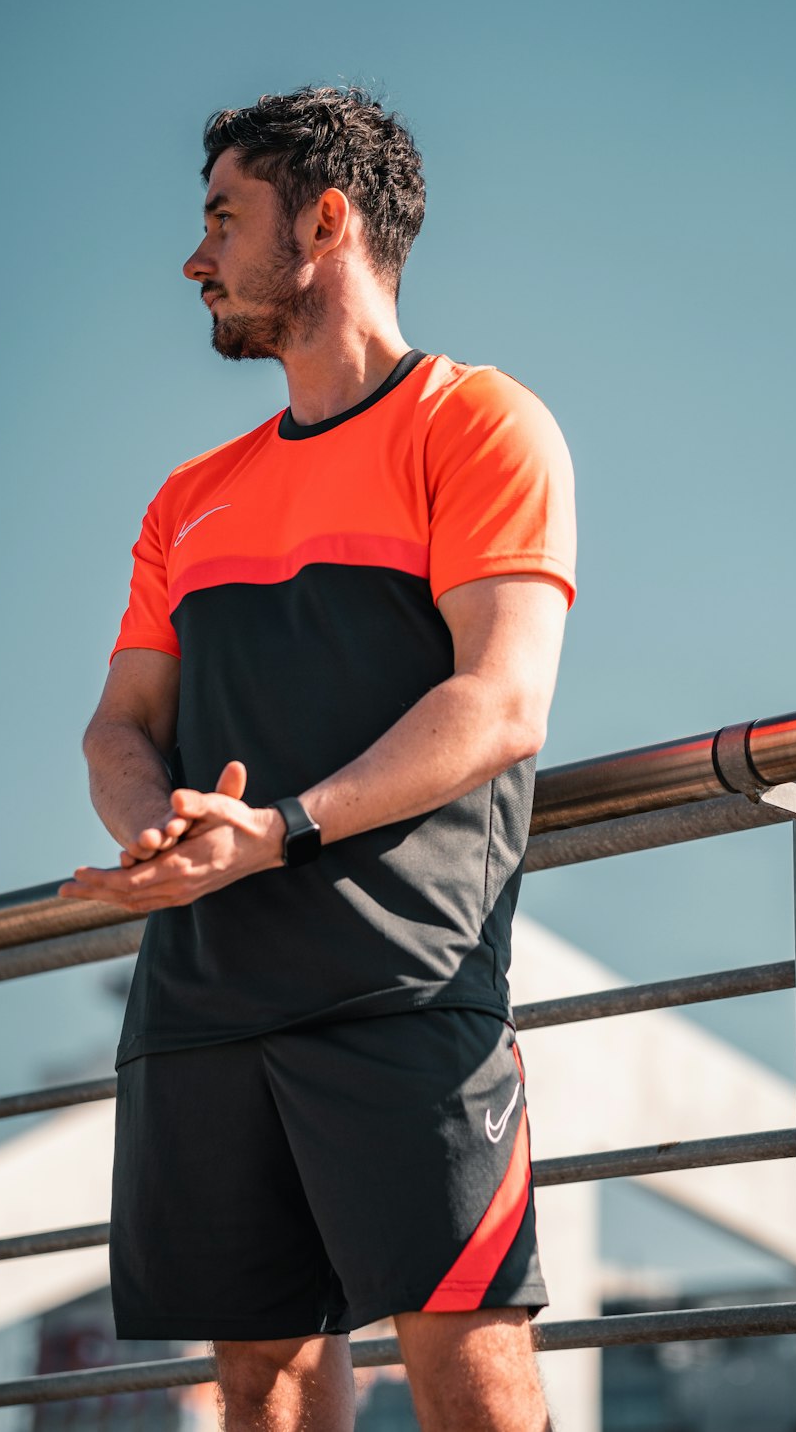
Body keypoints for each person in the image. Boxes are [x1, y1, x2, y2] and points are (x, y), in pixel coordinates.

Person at [60, 86, 577, 1432]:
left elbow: (503, 700)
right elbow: (123, 726)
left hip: (404, 983)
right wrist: (151, 834)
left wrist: (282, 828)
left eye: (224, 219)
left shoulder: (478, 424)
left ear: (327, 219)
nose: (195, 258)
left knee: (467, 1359)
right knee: (259, 1383)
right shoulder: (187, 495)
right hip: (203, 998)